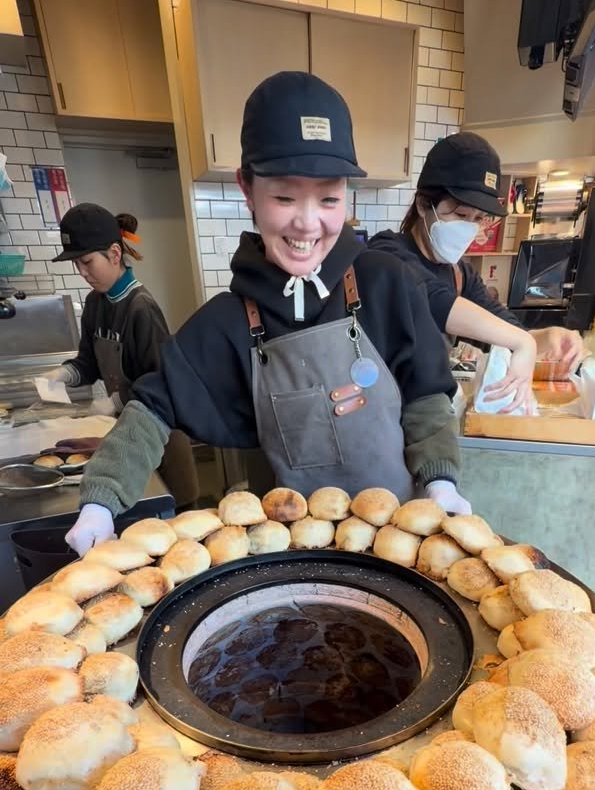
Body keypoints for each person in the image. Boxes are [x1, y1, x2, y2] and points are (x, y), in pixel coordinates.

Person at [66, 72, 473, 556]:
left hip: (401, 547)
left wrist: (441, 483)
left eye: (328, 197)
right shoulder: (227, 321)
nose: (307, 222)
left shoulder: (387, 284)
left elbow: (426, 399)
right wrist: (100, 501)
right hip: (287, 558)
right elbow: (150, 411)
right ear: (247, 189)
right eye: (284, 196)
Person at [370, 132, 584, 407]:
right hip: (381, 415)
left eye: (479, 219)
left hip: (426, 411)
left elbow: (506, 329)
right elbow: (429, 299)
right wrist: (522, 342)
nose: (469, 228)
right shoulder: (385, 253)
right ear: (424, 204)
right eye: (460, 215)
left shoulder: (459, 274)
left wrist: (547, 337)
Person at [48, 203, 199, 510]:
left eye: (88, 262)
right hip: (124, 434)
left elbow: (162, 381)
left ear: (114, 254)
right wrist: (64, 374)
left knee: (174, 516)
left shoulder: (140, 308)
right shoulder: (95, 303)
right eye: (77, 264)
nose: (83, 273)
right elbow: (88, 363)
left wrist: (115, 401)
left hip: (161, 437)